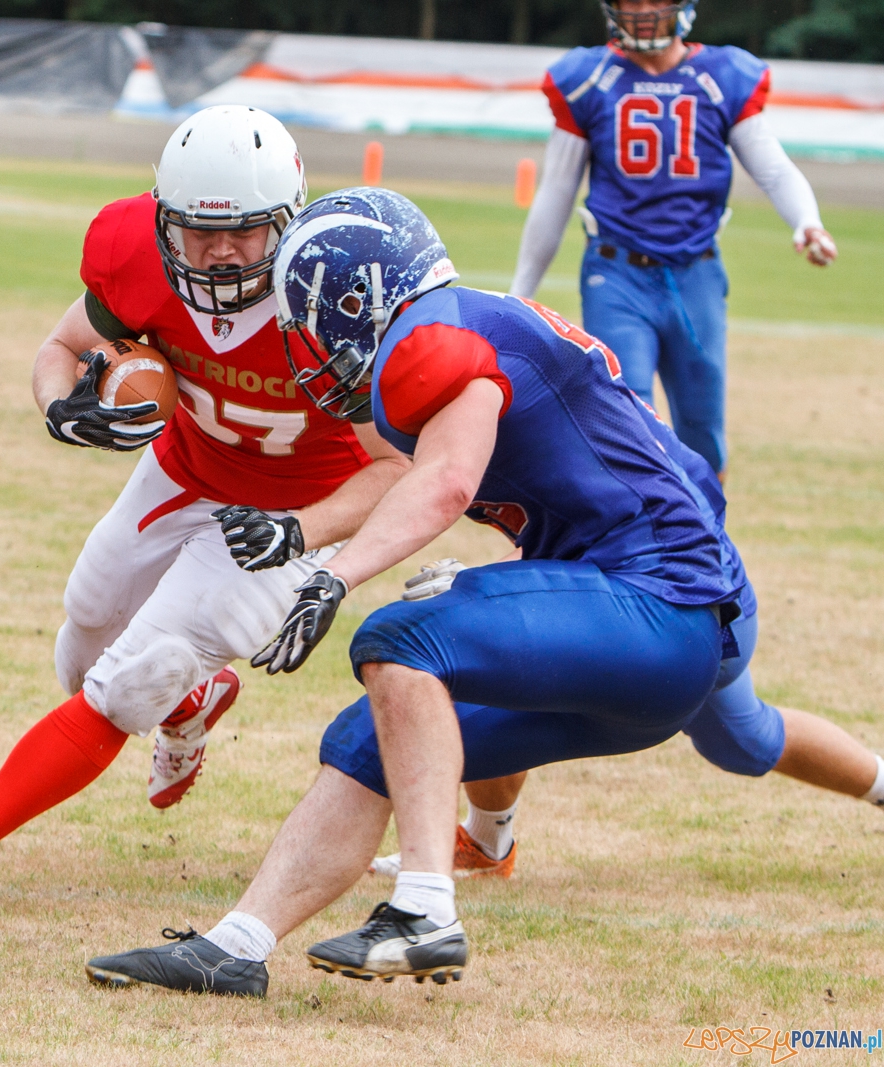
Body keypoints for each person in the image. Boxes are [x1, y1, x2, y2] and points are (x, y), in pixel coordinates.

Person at [84, 186, 754, 993]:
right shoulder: (472, 324)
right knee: (372, 736)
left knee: (402, 638)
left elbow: (445, 481)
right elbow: (682, 480)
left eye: (305, 318)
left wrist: (334, 575)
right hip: (652, 626)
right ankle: (236, 946)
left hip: (655, 609)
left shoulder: (431, 334)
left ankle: (425, 909)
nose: (305, 345)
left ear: (353, 298)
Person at [0, 107, 412, 904]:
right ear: (164, 221)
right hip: (187, 468)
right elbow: (61, 348)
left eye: (244, 231)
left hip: (293, 514)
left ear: (287, 222)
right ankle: (192, 701)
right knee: (82, 647)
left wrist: (301, 531)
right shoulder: (137, 255)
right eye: (199, 231)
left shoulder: (332, 291)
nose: (220, 253)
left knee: (127, 684)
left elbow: (398, 466)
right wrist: (61, 406)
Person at [366, 560, 884, 881]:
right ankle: (485, 843)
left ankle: (467, 859)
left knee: (491, 667)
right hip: (688, 598)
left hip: (672, 611)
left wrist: (486, 585)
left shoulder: (570, 433)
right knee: (745, 739)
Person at [511, 0, 837, 478]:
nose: (642, 11)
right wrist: (522, 292)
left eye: (654, 0)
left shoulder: (721, 76)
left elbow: (772, 168)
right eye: (631, 0)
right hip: (616, 272)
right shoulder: (589, 78)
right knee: (629, 422)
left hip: (695, 272)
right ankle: (642, 526)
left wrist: (807, 220)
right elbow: (557, 189)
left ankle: (705, 524)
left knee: (703, 432)